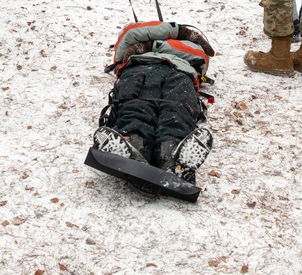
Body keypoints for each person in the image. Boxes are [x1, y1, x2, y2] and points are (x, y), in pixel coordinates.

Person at [92, 22, 215, 184]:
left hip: (181, 72)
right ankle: (135, 142)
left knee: (177, 108)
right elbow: (131, 32)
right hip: (141, 66)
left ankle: (171, 151)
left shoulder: (193, 46)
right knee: (138, 104)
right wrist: (180, 31)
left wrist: (152, 44)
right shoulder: (134, 40)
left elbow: (202, 61)